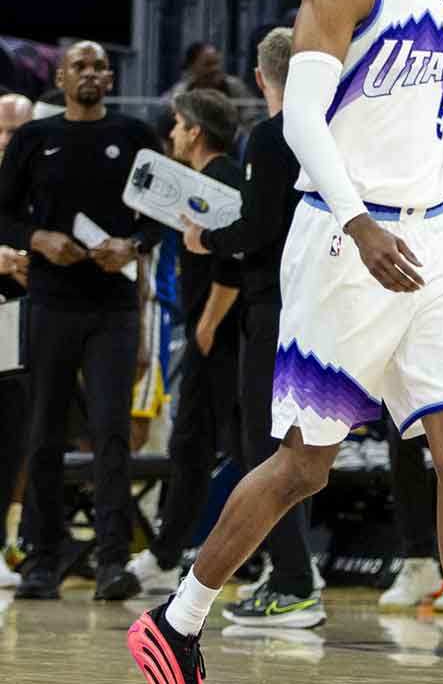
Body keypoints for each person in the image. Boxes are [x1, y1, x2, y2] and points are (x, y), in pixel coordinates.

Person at [126, 0, 443, 684]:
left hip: (432, 231)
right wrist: (362, 222)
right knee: (304, 464)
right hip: (344, 239)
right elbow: (302, 118)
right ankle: (178, 620)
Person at [0, 40, 164, 602]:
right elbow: (3, 213)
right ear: (63, 79)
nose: (90, 73)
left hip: (112, 310)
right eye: (80, 66)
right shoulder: (32, 139)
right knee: (43, 431)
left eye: (98, 66)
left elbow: (168, 211)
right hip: (49, 304)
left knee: (110, 433)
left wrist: (135, 244)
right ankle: (42, 562)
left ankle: (113, 560)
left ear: (111, 79)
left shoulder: (135, 137)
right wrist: (34, 238)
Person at [173, 27, 324, 626]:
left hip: (273, 310)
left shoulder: (271, 134)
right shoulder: (331, 128)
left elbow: (258, 230)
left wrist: (205, 238)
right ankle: (289, 574)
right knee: (297, 449)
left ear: (261, 79)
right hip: (318, 304)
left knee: (267, 450)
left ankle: (294, 585)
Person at [126, 90, 248, 600]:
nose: (172, 133)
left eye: (177, 124)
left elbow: (233, 260)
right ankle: (166, 552)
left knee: (241, 447)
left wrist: (209, 320)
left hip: (221, 331)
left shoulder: (222, 181)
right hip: (211, 330)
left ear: (195, 131)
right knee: (192, 444)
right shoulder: (197, 182)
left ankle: (276, 561)